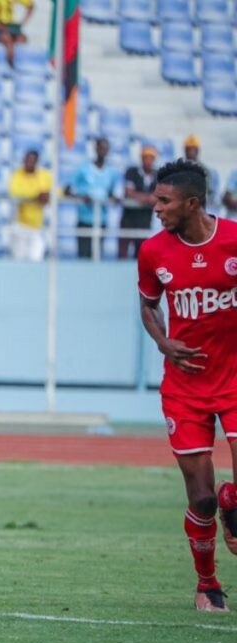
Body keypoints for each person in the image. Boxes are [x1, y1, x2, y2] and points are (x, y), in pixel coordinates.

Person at [136, 159, 237, 612]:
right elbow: (148, 306)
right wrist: (162, 341)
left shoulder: (234, 241)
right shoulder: (154, 252)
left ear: (192, 203)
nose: (155, 207)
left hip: (235, 382)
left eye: (164, 201)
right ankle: (208, 586)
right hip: (185, 388)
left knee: (230, 492)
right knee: (199, 495)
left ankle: (231, 501)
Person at [66, 137, 119, 259]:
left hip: (101, 219)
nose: (102, 151)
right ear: (95, 149)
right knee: (83, 255)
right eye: (100, 148)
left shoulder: (111, 172)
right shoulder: (83, 169)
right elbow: (67, 190)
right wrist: (82, 197)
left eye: (105, 148)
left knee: (97, 255)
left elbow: (109, 192)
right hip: (85, 218)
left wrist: (114, 198)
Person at [7, 149, 52, 261]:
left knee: (36, 260)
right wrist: (36, 196)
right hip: (20, 225)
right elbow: (15, 193)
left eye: (32, 160)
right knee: (19, 261)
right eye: (27, 159)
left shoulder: (44, 175)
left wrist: (47, 195)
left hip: (37, 227)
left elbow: (51, 192)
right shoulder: (17, 175)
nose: (29, 162)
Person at [118, 145, 158, 260]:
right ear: (141, 158)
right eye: (146, 157)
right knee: (122, 255)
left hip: (145, 221)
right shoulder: (132, 171)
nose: (148, 160)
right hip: (128, 220)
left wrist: (140, 197)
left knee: (141, 256)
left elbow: (158, 195)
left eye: (151, 157)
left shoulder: (157, 175)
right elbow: (128, 192)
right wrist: (147, 198)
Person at [184, 135, 220, 212]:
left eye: (193, 149)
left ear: (197, 150)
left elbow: (207, 190)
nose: (191, 151)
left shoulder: (204, 169)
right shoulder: (179, 167)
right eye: (188, 149)